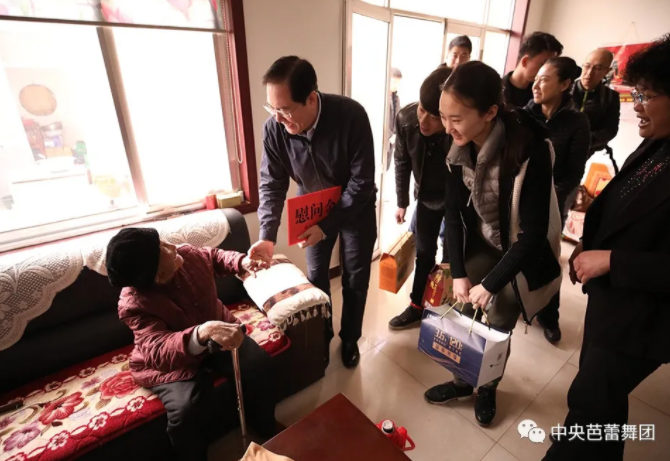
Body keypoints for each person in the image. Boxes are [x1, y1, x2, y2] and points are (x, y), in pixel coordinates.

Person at [543, 34, 670, 461]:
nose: (637, 105)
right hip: (613, 301)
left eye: (646, 96)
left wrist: (613, 260)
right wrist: (590, 239)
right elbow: (626, 200)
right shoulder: (658, 141)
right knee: (600, 400)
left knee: (591, 399)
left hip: (643, 317)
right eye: (636, 93)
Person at [425, 61, 562, 427]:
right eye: (443, 116)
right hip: (483, 240)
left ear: (489, 112)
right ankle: (461, 381)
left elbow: (532, 235)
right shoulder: (456, 145)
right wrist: (458, 272)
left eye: (456, 118)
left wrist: (491, 284)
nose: (447, 127)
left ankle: (487, 386)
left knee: (498, 320)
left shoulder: (529, 150)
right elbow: (453, 213)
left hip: (520, 249)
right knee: (461, 310)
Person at [107, 228, 276, 461]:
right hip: (172, 361)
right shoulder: (134, 304)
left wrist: (241, 262)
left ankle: (267, 429)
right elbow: (158, 349)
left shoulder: (185, 254)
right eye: (162, 248)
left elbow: (213, 257)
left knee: (259, 364)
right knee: (187, 409)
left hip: (219, 333)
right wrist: (201, 333)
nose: (172, 246)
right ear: (156, 276)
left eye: (162, 240)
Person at [251, 56, 376, 369]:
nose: (278, 118)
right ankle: (322, 336)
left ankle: (350, 338)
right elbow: (272, 183)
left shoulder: (350, 115)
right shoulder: (274, 129)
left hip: (356, 207)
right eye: (272, 108)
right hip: (311, 208)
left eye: (285, 110)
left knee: (355, 277)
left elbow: (362, 182)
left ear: (310, 98)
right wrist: (267, 235)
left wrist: (328, 225)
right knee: (317, 277)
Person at [526, 57, 591, 343]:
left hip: (553, 203)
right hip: (520, 200)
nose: (536, 85)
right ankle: (521, 304)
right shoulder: (525, 114)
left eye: (544, 79)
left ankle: (549, 316)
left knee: (548, 261)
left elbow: (574, 173)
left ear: (565, 84)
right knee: (516, 255)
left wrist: (549, 198)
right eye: (536, 78)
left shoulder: (577, 122)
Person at [388, 66, 453, 330]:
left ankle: (446, 308)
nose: (424, 121)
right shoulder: (406, 118)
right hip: (427, 196)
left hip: (458, 200)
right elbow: (401, 160)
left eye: (435, 117)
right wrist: (402, 201)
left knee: (452, 256)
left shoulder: (460, 128)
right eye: (422, 110)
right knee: (424, 252)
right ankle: (417, 306)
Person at [572, 48, 621, 158]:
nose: (589, 73)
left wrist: (586, 140)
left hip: (584, 152)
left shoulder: (610, 97)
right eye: (587, 66)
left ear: (607, 71)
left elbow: (610, 130)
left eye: (598, 68)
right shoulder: (564, 89)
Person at [503, 32, 563, 108]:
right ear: (525, 61)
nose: (547, 71)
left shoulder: (543, 94)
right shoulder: (496, 90)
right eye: (543, 65)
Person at [387, 67, 403, 172]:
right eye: (394, 82)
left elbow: (398, 117)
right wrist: (390, 136)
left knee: (387, 167)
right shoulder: (382, 98)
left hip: (392, 140)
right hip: (384, 139)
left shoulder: (396, 98)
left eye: (398, 83)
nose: (395, 85)